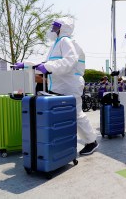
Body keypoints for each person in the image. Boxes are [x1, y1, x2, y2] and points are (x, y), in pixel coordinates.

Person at [15, 17, 98, 155]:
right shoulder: (56, 44)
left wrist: (47, 66)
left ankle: (91, 141)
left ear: (61, 28)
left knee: (76, 114)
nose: (51, 29)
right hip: (60, 86)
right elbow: (46, 64)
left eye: (54, 27)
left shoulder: (65, 41)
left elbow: (69, 61)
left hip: (70, 85)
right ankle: (62, 143)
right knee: (62, 116)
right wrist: (27, 65)